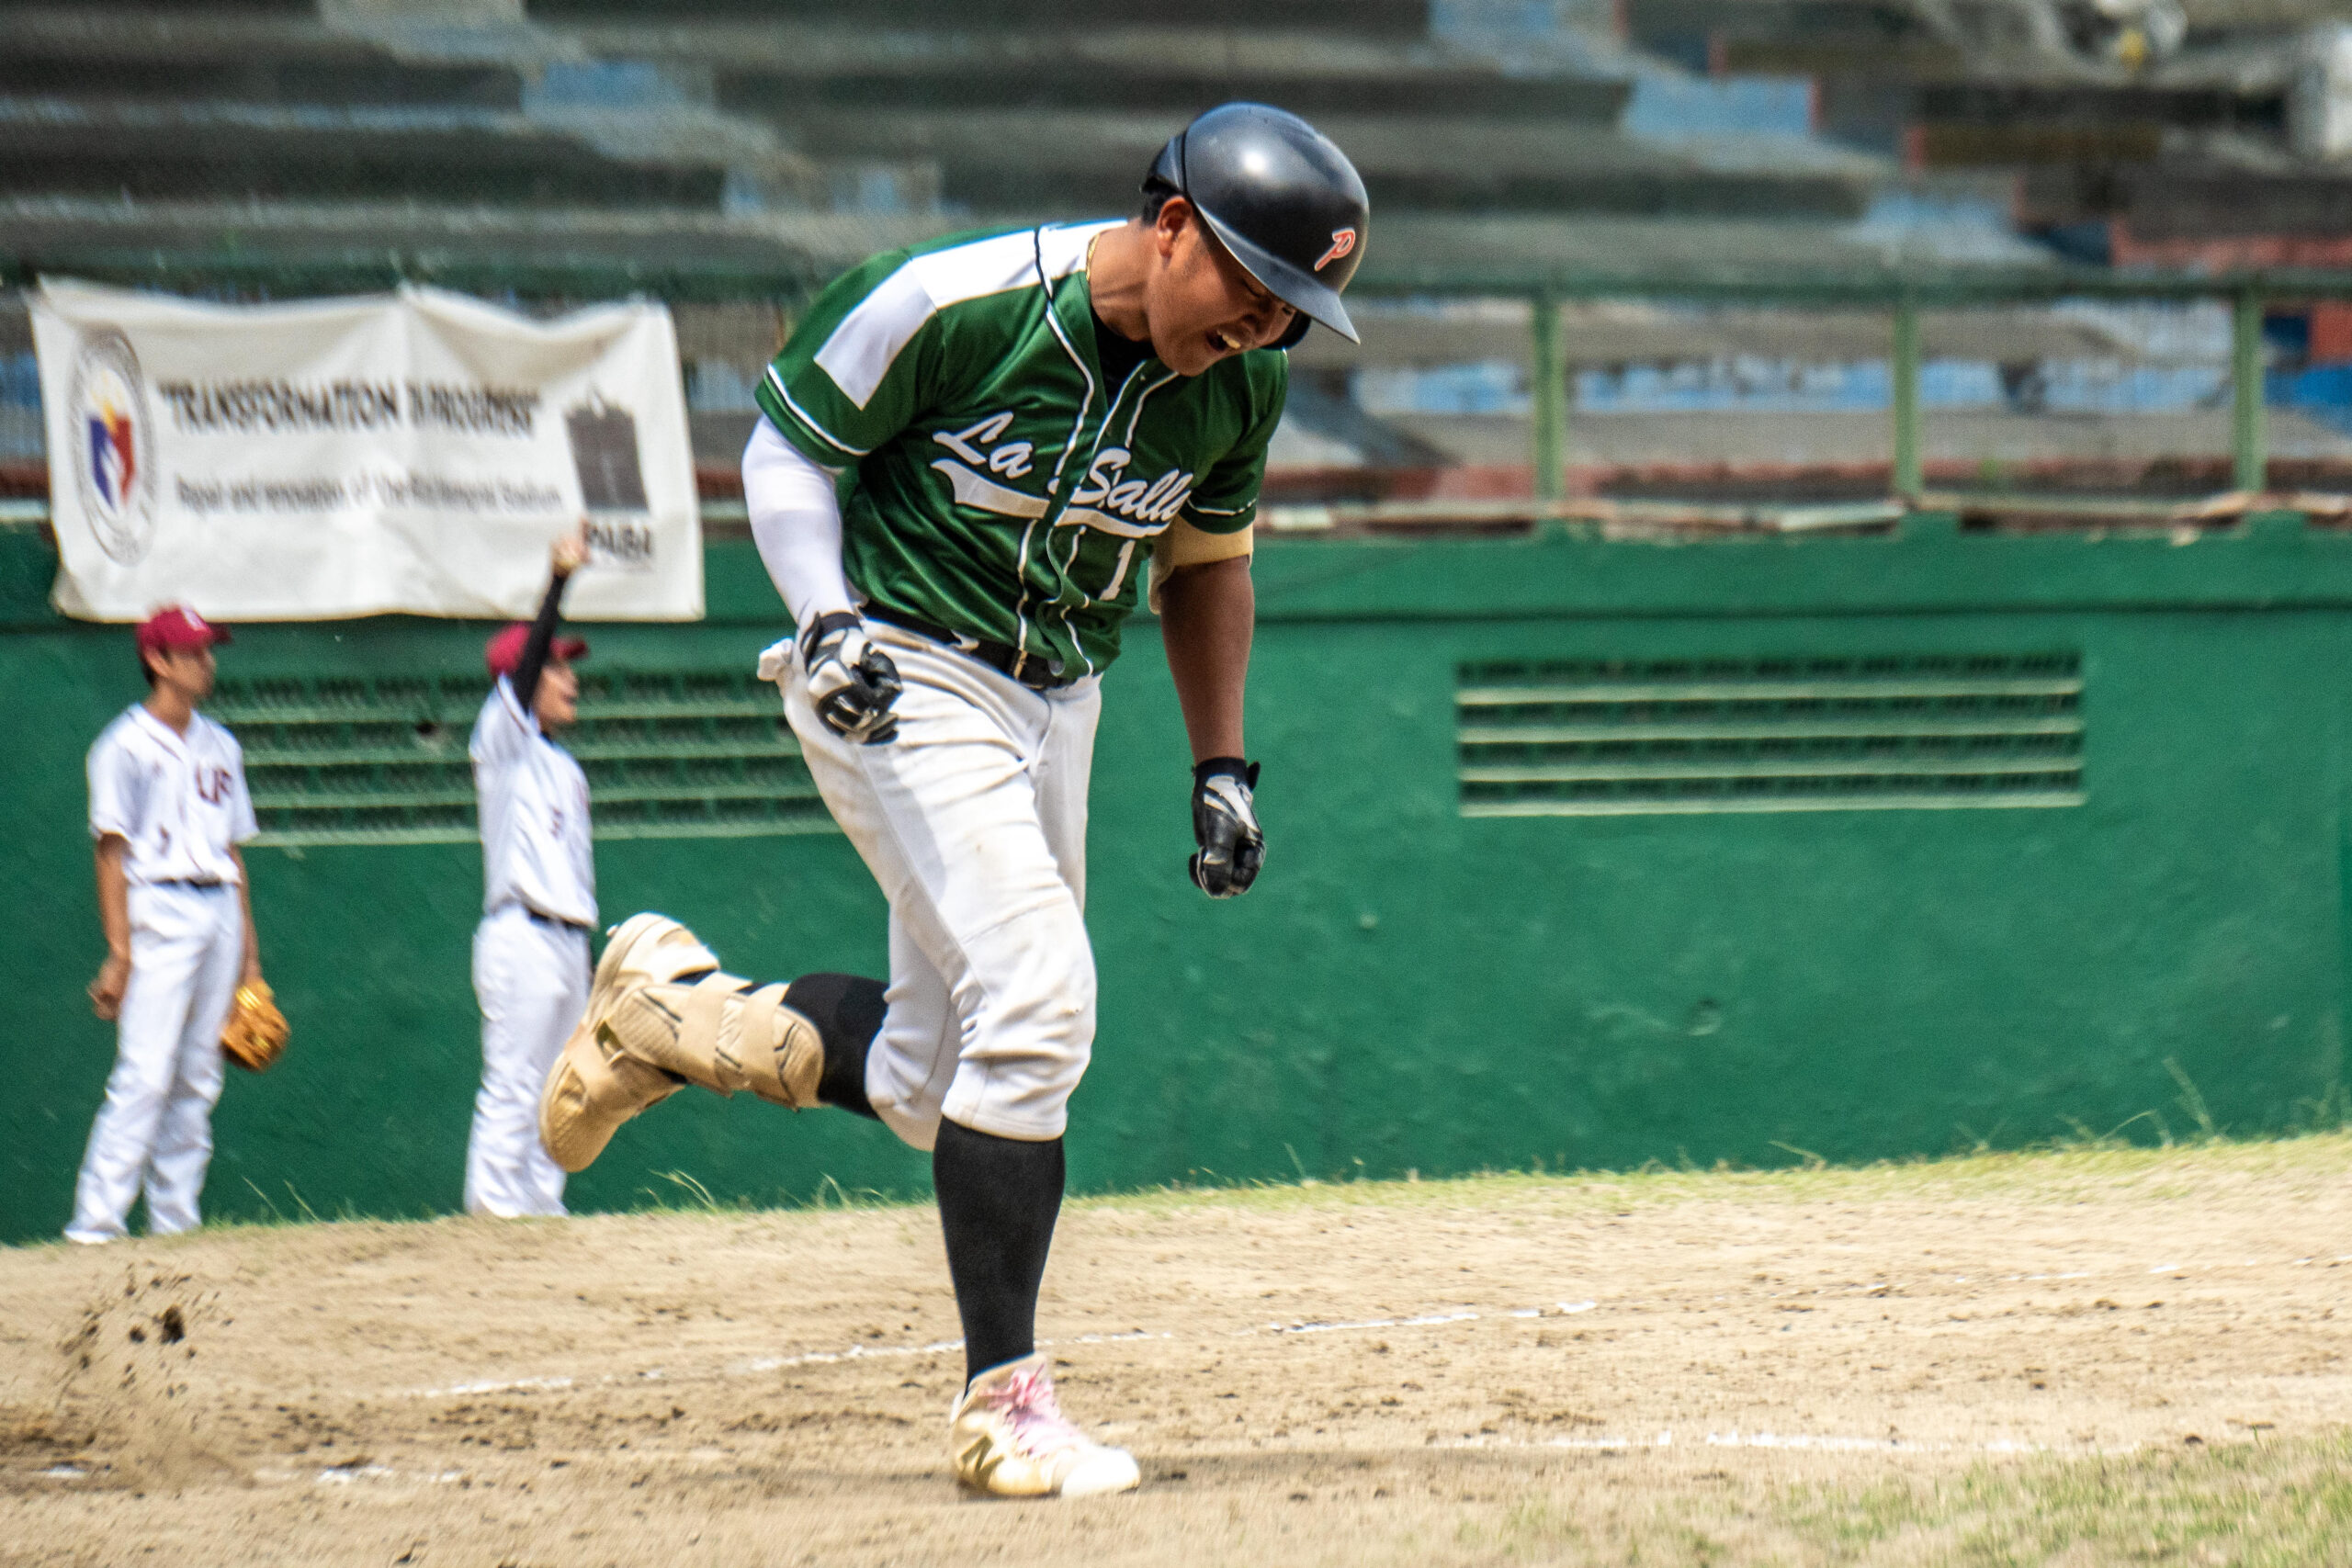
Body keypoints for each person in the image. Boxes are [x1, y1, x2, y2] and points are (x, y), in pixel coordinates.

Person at [537, 103, 1367, 1497]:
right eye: (1252, 285)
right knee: (1041, 997)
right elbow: (788, 452)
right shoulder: (950, 300)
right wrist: (823, 618)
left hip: (1060, 700)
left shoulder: (1240, 385)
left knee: (934, 1080)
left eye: (1295, 308)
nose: (1265, 328)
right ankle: (1006, 1404)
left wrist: (1220, 761)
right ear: (1171, 224)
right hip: (897, 662)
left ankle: (669, 1014)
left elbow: (1206, 565)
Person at [67, 605, 266, 1244]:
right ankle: (95, 1223)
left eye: (209, 650)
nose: (207, 662)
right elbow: (111, 851)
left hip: (217, 906)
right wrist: (119, 952)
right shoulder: (121, 745)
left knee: (197, 1076)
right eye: (194, 652)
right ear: (157, 660)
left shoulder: (222, 745)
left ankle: (176, 1222)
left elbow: (233, 854)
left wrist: (252, 962)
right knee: (146, 1071)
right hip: (160, 904)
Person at [465, 526, 594, 1218]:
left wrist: (591, 960)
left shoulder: (565, 768)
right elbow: (525, 668)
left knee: (562, 1087)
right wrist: (558, 582)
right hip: (519, 934)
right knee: (514, 1081)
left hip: (567, 939)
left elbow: (575, 875)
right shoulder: (501, 741)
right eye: (557, 667)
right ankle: (492, 1209)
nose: (570, 678)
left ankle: (541, 1209)